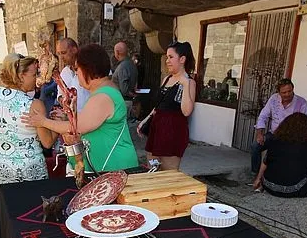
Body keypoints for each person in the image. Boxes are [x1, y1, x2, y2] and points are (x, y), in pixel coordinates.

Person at [24, 44, 138, 173]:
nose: (77, 73)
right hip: (109, 163)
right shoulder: (104, 91)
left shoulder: (103, 96)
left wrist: (43, 122)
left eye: (78, 68)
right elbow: (90, 120)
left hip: (113, 164)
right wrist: (67, 117)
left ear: (88, 69)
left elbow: (77, 127)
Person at [0, 53, 56, 188]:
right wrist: (58, 123)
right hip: (28, 167)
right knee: (33, 201)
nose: (37, 78)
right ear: (21, 76)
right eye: (34, 74)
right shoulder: (34, 104)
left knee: (7, 199)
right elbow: (47, 142)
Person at [141, 41, 197, 171]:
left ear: (182, 59)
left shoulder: (190, 82)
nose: (167, 61)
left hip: (173, 131)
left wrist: (186, 84)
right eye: (167, 57)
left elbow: (187, 111)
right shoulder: (166, 79)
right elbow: (159, 105)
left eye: (171, 57)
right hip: (157, 128)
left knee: (168, 172)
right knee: (152, 169)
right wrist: (145, 120)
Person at [252, 113, 307, 198]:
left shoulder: (275, 141)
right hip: (298, 190)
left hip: (270, 187)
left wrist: (258, 179)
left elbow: (265, 162)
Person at [251, 79, 307, 174]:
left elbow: (303, 124)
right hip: (273, 134)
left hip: (290, 137)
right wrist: (259, 133)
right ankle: (256, 173)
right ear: (278, 92)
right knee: (255, 146)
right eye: (284, 92)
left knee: (283, 151)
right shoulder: (274, 99)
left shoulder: (301, 102)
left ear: (293, 89)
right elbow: (263, 116)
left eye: (289, 91)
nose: (287, 94)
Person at [56, 38, 90, 112]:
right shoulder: (64, 72)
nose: (61, 57)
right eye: (59, 54)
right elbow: (60, 94)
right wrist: (64, 101)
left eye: (64, 53)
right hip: (72, 116)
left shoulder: (90, 67)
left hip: (91, 114)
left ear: (74, 50)